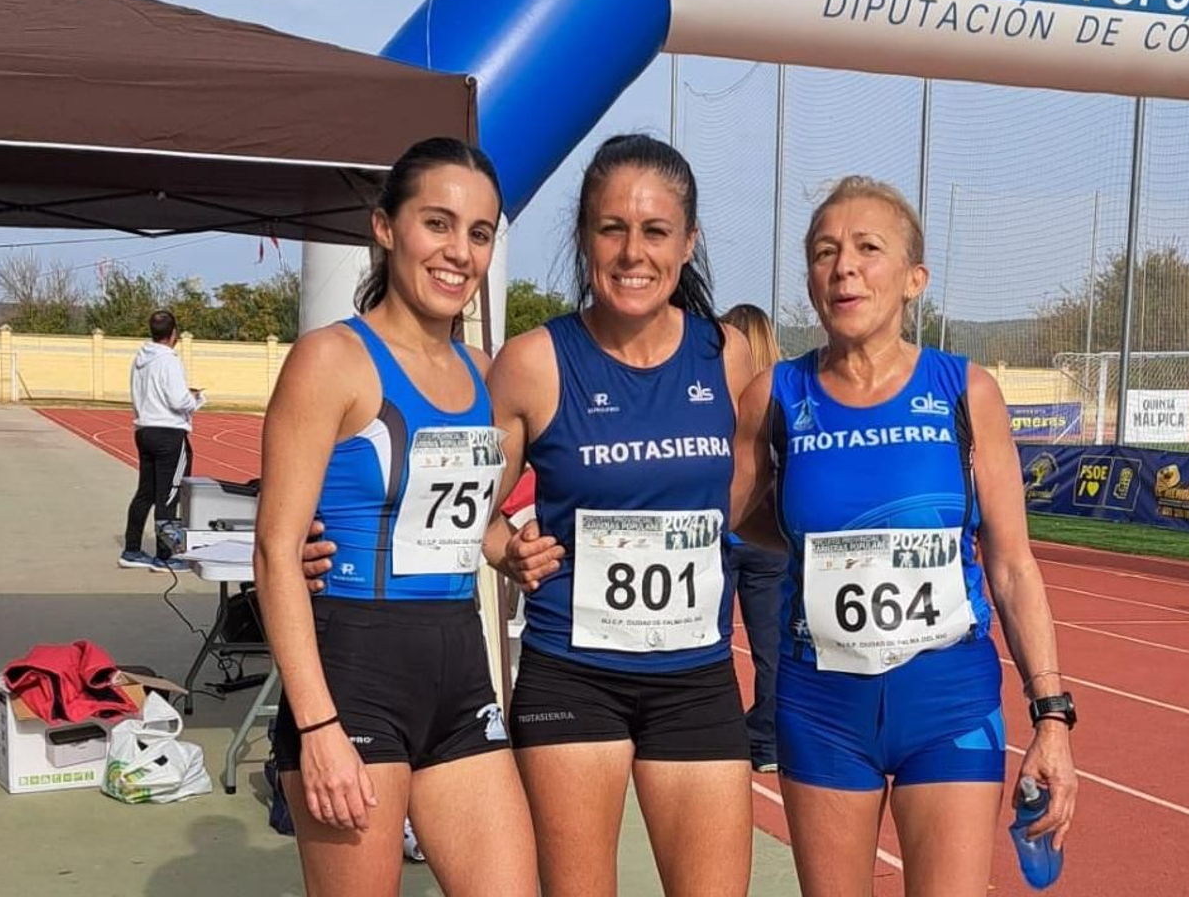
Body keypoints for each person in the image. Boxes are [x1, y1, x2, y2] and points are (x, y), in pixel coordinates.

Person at [728, 176, 1078, 896]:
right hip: (822, 706)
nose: (844, 267)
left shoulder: (965, 391)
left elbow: (1011, 566)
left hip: (947, 701)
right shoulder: (775, 396)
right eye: (825, 252)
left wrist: (1053, 717)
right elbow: (729, 515)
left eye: (867, 248)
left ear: (914, 278)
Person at [254, 136, 536, 897]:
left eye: (479, 233)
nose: (459, 252)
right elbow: (277, 553)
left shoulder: (486, 374)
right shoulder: (332, 360)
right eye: (437, 224)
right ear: (386, 228)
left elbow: (460, 521)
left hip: (459, 668)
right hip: (354, 673)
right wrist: (316, 728)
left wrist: (509, 549)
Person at [480, 133, 758, 897]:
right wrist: (506, 547)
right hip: (575, 673)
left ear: (689, 242)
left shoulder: (727, 355)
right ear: (585, 237)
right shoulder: (535, 361)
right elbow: (468, 507)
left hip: (697, 677)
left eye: (655, 230)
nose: (633, 252)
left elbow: (752, 499)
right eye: (613, 228)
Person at [717, 302, 789, 772]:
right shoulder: (782, 395)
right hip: (768, 539)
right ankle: (766, 741)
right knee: (772, 649)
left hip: (724, 535)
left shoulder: (716, 395)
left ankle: (716, 736)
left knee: (711, 642)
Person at [119, 310, 203, 571]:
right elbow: (178, 400)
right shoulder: (169, 361)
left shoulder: (140, 359)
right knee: (169, 494)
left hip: (144, 429)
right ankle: (165, 556)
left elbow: (137, 393)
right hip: (169, 432)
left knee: (145, 492)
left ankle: (131, 549)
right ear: (174, 334)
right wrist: (196, 399)